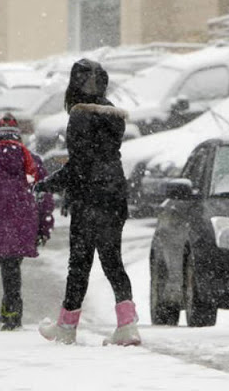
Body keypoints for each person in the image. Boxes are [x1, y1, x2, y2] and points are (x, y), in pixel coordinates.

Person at [33, 58, 141, 346]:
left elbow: (80, 164)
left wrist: (49, 184)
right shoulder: (114, 116)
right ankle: (128, 325)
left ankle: (66, 328)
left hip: (90, 199)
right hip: (115, 195)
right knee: (112, 261)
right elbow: (101, 158)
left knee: (79, 265)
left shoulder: (80, 115)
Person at [0, 112, 54, 331]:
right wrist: (44, 226)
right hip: (26, 223)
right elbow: (44, 195)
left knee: (8, 267)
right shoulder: (32, 161)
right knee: (12, 266)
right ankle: (10, 311)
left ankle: (12, 313)